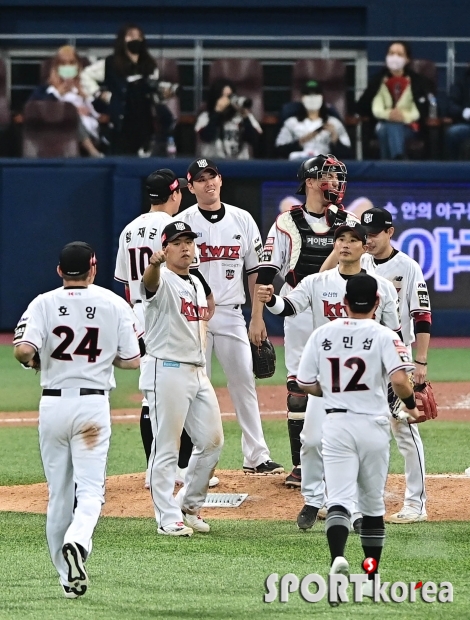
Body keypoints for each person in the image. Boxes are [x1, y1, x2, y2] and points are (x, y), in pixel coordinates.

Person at [13, 241, 141, 598]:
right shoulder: (113, 303)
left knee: (58, 495)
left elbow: (23, 349)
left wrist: (33, 360)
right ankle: (78, 542)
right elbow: (132, 360)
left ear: (59, 271)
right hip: (91, 409)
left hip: (53, 406)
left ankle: (66, 580)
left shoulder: (43, 303)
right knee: (90, 492)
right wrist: (102, 359)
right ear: (93, 268)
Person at [257, 223, 401, 532]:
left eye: (353, 240)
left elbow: (395, 332)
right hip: (329, 383)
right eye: (340, 239)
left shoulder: (381, 286)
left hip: (368, 384)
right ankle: (313, 499)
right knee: (311, 441)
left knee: (367, 448)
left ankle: (363, 508)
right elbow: (289, 307)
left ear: (365, 247)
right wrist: (270, 300)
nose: (346, 244)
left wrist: (398, 376)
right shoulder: (317, 282)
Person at [296, 273, 419, 602]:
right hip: (373, 426)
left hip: (336, 424)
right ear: (377, 303)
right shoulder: (384, 335)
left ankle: (337, 557)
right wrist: (410, 406)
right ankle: (371, 576)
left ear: (344, 303)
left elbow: (304, 382)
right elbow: (401, 381)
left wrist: (328, 389)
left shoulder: (323, 333)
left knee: (338, 500)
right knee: (372, 505)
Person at [249, 153, 355, 488]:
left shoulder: (348, 221)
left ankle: (341, 460)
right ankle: (300, 465)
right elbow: (267, 272)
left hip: (339, 308)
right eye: (328, 176)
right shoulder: (286, 223)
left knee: (344, 384)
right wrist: (256, 317)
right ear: (309, 182)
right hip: (299, 309)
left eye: (337, 177)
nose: (335, 183)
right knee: (299, 387)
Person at [114, 168, 218, 489]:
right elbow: (192, 274)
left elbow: (125, 286)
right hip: (168, 312)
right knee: (176, 388)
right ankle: (177, 468)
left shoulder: (129, 229)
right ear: (175, 194)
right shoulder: (173, 228)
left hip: (139, 313)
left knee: (154, 394)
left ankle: (156, 467)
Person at [178, 158, 283, 475]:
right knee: (196, 387)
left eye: (212, 176)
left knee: (244, 382)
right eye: (201, 178)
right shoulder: (183, 224)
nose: (208, 182)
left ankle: (257, 456)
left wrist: (257, 317)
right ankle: (200, 461)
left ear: (220, 181)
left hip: (232, 313)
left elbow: (256, 272)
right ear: (191, 186)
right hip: (193, 316)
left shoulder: (242, 220)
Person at [140, 221, 224, 536]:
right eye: (177, 242)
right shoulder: (162, 279)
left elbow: (205, 314)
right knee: (167, 445)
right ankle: (166, 518)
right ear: (165, 248)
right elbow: (149, 284)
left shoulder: (196, 283)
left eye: (188, 240)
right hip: (167, 369)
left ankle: (188, 505)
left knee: (212, 441)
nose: (185, 246)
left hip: (197, 371)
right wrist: (154, 264)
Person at [360, 206, 431, 523]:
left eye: (374, 234)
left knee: (404, 429)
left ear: (389, 232)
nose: (368, 240)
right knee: (361, 429)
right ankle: (357, 500)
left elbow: (422, 315)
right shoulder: (359, 262)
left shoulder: (408, 266)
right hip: (363, 358)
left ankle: (416, 505)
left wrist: (420, 362)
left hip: (396, 357)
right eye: (365, 235)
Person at [81, 23, 175, 155]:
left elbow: (154, 93)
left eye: (138, 36)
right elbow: (85, 75)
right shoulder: (110, 63)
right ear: (122, 40)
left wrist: (163, 94)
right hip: (120, 124)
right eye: (130, 36)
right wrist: (98, 93)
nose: (135, 40)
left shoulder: (150, 65)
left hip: (143, 122)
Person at [356, 41, 431, 160]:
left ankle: (387, 168)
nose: (394, 57)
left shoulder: (417, 81)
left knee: (387, 129)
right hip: (381, 124)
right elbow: (364, 106)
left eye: (399, 54)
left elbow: (422, 109)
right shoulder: (378, 80)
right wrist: (389, 115)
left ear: (407, 59)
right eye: (391, 53)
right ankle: (399, 161)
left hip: (409, 126)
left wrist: (402, 117)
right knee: (389, 126)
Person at [29, 45, 103, 158]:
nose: (68, 67)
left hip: (88, 128)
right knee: (71, 115)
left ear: (78, 65)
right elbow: (34, 108)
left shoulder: (86, 87)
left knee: (73, 117)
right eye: (63, 63)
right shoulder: (46, 89)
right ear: (56, 66)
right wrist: (58, 93)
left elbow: (102, 111)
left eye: (72, 63)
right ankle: (92, 151)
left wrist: (85, 96)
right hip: (56, 129)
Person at [275, 80, 351, 160]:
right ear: (302, 98)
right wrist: (301, 141)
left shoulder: (334, 123)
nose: (312, 98)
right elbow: (279, 150)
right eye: (308, 95)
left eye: (316, 95)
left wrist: (335, 138)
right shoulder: (291, 123)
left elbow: (348, 154)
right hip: (297, 165)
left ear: (322, 98)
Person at [195, 78, 263, 159]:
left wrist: (245, 117)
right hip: (213, 164)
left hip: (240, 165)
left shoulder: (244, 117)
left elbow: (253, 140)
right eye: (225, 97)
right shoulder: (205, 117)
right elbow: (207, 137)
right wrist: (217, 113)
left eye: (231, 96)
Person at [445, 67, 470, 159]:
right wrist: (464, 112)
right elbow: (451, 105)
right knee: (453, 132)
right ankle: (453, 168)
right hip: (467, 125)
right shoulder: (462, 82)